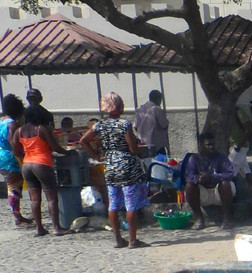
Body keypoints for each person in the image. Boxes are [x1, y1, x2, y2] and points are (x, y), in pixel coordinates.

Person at [79, 92, 150, 248]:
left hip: (110, 166)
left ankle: (118, 239)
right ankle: (132, 240)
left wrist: (97, 156)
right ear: (118, 107)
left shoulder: (99, 125)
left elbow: (82, 141)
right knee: (131, 204)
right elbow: (132, 148)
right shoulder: (124, 124)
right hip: (127, 166)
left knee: (113, 204)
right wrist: (138, 151)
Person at [14, 103, 73, 236]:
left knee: (34, 199)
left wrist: (26, 155)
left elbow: (15, 149)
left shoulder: (19, 131)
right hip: (42, 163)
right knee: (51, 197)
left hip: (27, 164)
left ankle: (39, 228)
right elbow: (55, 147)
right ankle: (57, 227)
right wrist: (68, 153)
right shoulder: (41, 129)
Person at [185, 133, 237, 230]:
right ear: (201, 145)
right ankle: (200, 219)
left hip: (219, 192)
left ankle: (227, 219)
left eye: (213, 144)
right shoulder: (194, 159)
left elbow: (230, 173)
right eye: (208, 145)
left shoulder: (221, 157)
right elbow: (189, 176)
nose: (212, 147)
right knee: (189, 186)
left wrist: (212, 177)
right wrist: (198, 179)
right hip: (203, 194)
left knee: (226, 183)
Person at [1, 94, 32, 228]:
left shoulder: (2, 121)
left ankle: (18, 214)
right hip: (10, 158)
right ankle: (17, 217)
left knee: (13, 185)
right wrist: (21, 155)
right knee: (14, 187)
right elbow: (13, 143)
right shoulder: (13, 124)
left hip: (2, 155)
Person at [134, 89, 170, 156]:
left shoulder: (139, 110)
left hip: (143, 144)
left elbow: (135, 127)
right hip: (157, 145)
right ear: (158, 99)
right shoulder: (157, 110)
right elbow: (164, 125)